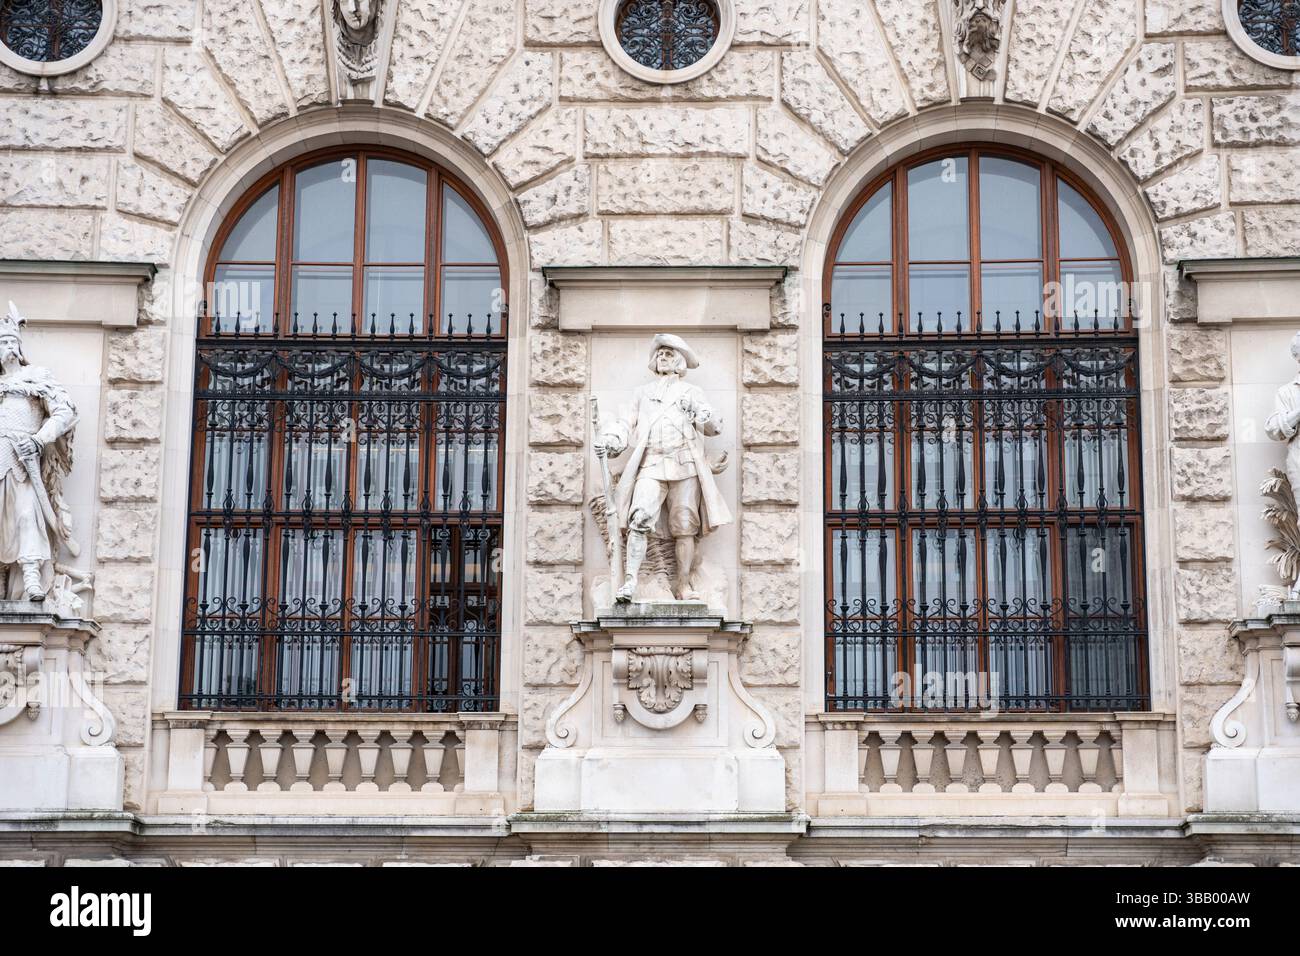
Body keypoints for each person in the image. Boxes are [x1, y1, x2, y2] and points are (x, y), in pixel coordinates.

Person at [596, 334, 731, 603]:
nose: (663, 357)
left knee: (684, 526)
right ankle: (631, 581)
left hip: (685, 466)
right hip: (651, 465)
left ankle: (682, 585)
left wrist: (703, 416)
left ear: (679, 361)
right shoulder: (642, 393)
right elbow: (625, 424)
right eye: (660, 354)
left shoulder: (692, 392)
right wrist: (612, 440)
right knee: (640, 517)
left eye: (669, 354)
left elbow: (713, 426)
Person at [0, 303, 77, 601]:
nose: (7, 347)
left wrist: (38, 440)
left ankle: (32, 577)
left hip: (22, 458)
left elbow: (65, 412)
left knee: (25, 514)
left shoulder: (36, 376)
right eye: (2, 342)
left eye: (10, 342)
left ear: (19, 347)